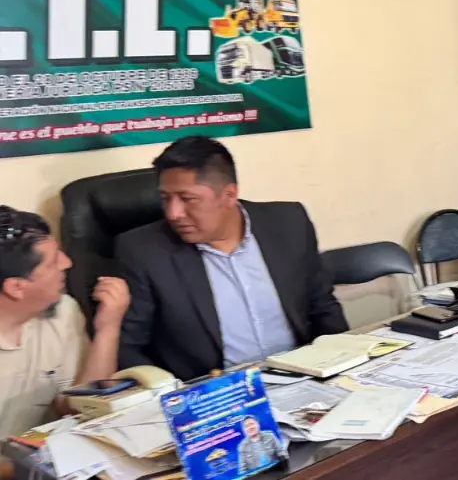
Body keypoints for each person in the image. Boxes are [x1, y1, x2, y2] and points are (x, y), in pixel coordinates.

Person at [116, 136, 348, 381]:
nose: (173, 213)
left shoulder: (288, 223)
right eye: (165, 198)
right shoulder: (144, 251)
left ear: (229, 195)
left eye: (187, 199)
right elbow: (127, 347)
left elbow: (322, 306)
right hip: (217, 392)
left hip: (303, 374)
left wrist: (344, 367)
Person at [0, 207, 130, 480]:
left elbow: (80, 406)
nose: (67, 263)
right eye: (52, 263)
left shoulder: (62, 312)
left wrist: (108, 329)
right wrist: (36, 466)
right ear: (16, 287)